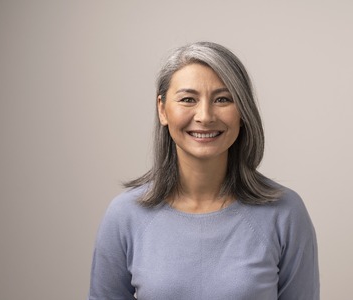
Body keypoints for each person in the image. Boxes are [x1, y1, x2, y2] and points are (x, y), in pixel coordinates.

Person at [88, 42, 319, 300]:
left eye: (223, 99)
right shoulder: (125, 216)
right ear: (162, 109)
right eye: (188, 99)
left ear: (242, 111)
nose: (205, 116)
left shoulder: (286, 213)